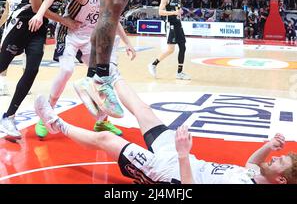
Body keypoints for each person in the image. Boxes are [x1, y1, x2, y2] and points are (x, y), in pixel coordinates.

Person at [34, 85, 297, 184]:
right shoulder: (258, 177)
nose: (275, 159)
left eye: (280, 161)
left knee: (108, 140)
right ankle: (109, 73)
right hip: (182, 160)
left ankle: (56, 123)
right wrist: (269, 145)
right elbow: (251, 165)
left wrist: (183, 155)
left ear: (282, 180)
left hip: (170, 175)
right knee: (145, 111)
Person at [28, 0, 136, 138]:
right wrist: (39, 14)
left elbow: (113, 19)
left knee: (102, 75)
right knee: (66, 70)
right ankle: (46, 115)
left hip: (89, 37)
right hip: (69, 33)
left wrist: (128, 42)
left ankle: (102, 121)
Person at [0, 0, 78, 140]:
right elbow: (36, 8)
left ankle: (9, 116)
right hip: (22, 23)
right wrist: (65, 21)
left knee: (32, 69)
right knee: (1, 66)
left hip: (40, 27)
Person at [148, 0, 191, 80]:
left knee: (183, 47)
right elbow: (160, 12)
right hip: (170, 25)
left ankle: (179, 73)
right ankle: (153, 64)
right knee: (170, 49)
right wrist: (174, 12)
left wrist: (179, 13)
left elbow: (177, 12)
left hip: (178, 25)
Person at [0, 0, 26, 95]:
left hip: (24, 28)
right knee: (3, 55)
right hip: (9, 28)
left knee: (26, 58)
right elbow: (6, 11)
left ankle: (26, 85)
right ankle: (2, 86)